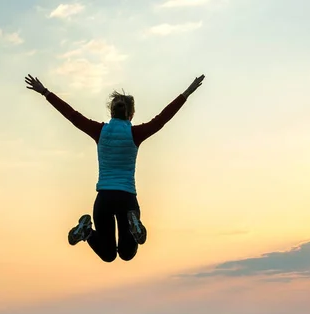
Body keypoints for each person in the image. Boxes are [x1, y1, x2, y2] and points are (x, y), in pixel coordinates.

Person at [24, 73, 205, 262]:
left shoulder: (100, 131)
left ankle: (86, 231)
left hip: (104, 199)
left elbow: (72, 116)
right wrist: (187, 92)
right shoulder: (135, 134)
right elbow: (162, 119)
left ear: (111, 112)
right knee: (127, 254)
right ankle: (133, 224)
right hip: (127, 199)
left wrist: (45, 92)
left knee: (108, 254)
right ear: (131, 114)